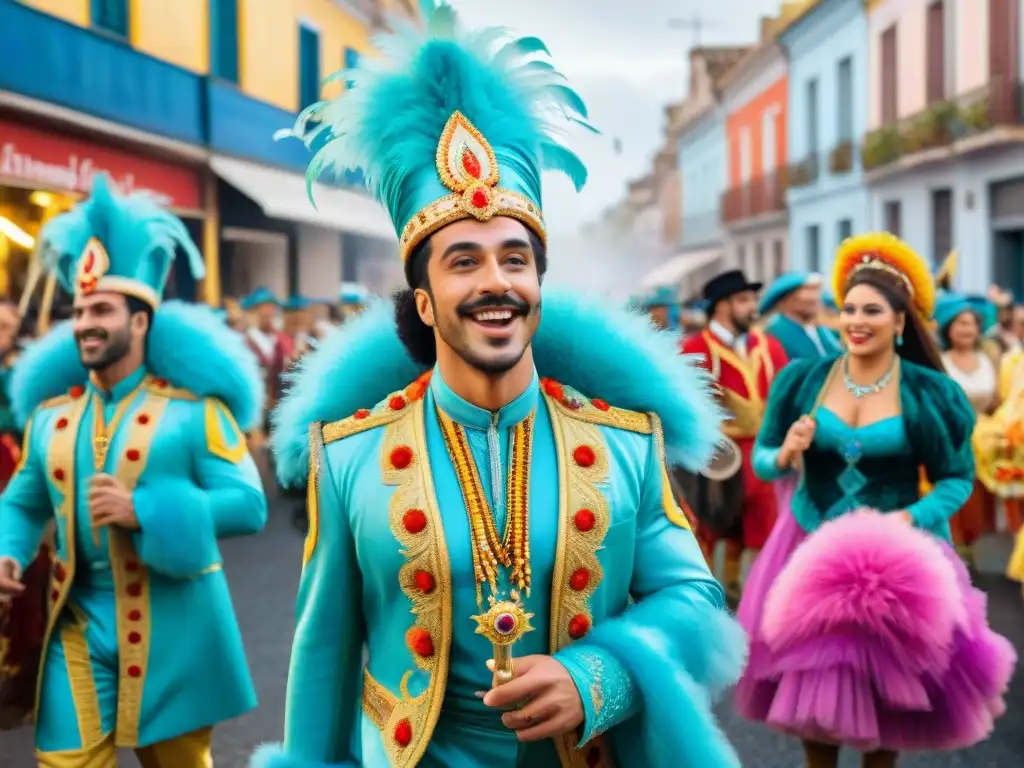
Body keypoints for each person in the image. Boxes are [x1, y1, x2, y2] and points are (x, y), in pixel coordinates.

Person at [251, 4, 746, 767]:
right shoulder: (348, 456)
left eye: (515, 259)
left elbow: (695, 599)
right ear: (423, 302)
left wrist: (602, 677)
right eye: (464, 262)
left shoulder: (625, 442)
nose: (496, 282)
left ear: (539, 285)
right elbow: (323, 657)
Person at [0, 174, 268, 766]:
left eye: (101, 309)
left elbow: (248, 505)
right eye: (78, 311)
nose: (84, 323)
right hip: (76, 625)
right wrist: (8, 552)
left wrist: (144, 509)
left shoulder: (196, 414)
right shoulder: (50, 419)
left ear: (141, 321)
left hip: (174, 629)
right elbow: (22, 502)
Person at [733, 232, 1015, 768]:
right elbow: (764, 459)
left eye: (872, 311)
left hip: (898, 560)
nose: (856, 321)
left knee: (888, 701)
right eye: (848, 309)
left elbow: (957, 478)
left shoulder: (930, 392)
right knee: (812, 696)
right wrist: (785, 451)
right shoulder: (802, 380)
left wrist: (912, 517)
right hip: (808, 546)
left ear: (900, 321)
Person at [681, 269, 788, 598]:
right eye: (744, 300)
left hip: (762, 455)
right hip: (716, 459)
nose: (753, 307)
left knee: (763, 532)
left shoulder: (769, 347)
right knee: (709, 529)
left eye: (753, 299)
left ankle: (754, 598)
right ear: (722, 305)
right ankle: (708, 597)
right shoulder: (694, 350)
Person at [934, 294, 999, 564]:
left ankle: (970, 547)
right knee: (953, 497)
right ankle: (951, 549)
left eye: (971, 324)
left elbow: (999, 401)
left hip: (984, 443)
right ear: (948, 328)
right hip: (951, 440)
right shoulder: (939, 360)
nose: (966, 329)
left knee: (978, 501)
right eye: (960, 323)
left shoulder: (990, 358)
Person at [241, 287, 294, 429]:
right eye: (262, 308)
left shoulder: (283, 340)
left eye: (271, 308)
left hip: (279, 404)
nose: (268, 312)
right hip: (256, 405)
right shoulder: (247, 340)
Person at [760, 273, 842, 360]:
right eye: (808, 300)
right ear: (785, 301)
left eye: (817, 293)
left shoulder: (819, 329)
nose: (816, 298)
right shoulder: (776, 332)